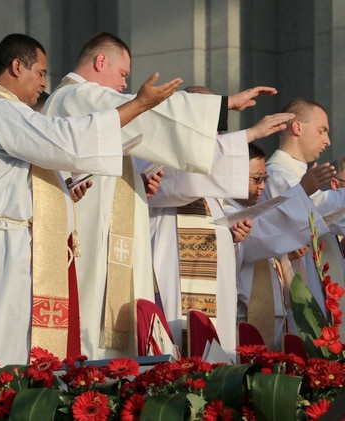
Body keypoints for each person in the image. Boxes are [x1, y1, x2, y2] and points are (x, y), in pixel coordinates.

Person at [0, 33, 184, 366]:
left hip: (21, 241)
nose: (44, 85)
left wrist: (64, 190)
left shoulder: (2, 111)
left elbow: (23, 176)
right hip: (8, 245)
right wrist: (137, 106)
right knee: (6, 348)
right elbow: (63, 141)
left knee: (22, 345)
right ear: (17, 66)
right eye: (41, 73)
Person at [44, 32, 277, 359]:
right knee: (94, 336)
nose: (125, 85)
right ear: (100, 62)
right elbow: (147, 114)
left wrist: (137, 179)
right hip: (92, 242)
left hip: (101, 234)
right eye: (123, 74)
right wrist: (225, 106)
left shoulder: (74, 101)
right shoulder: (79, 96)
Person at [224, 144, 331, 350]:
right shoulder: (226, 211)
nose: (262, 186)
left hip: (274, 310)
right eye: (257, 179)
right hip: (244, 313)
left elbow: (263, 242)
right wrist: (302, 191)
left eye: (265, 179)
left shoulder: (249, 209)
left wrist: (287, 256)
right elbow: (260, 234)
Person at [261, 98, 345, 334]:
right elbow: (321, 213)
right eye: (322, 131)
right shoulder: (277, 174)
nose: (327, 141)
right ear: (297, 127)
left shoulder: (296, 174)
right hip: (291, 293)